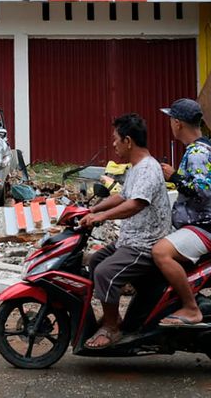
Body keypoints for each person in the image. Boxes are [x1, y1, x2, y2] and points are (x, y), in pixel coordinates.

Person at [79, 113, 171, 349]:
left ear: (128, 141)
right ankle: (114, 316)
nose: (113, 144)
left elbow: (135, 203)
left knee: (104, 272)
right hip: (129, 239)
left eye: (115, 139)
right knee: (96, 261)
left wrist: (101, 216)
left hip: (145, 244)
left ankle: (111, 328)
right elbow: (122, 196)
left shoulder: (149, 169)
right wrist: (91, 209)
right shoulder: (135, 168)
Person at [153, 98, 211, 325]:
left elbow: (202, 191)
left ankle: (191, 308)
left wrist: (174, 177)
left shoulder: (197, 153)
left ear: (178, 124)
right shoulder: (202, 148)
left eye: (171, 120)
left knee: (160, 252)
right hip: (199, 226)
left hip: (207, 227)